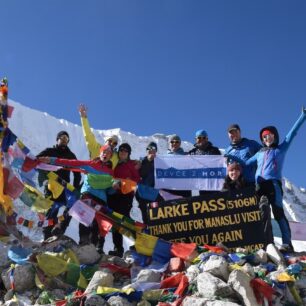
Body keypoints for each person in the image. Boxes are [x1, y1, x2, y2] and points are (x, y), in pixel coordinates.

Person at [226, 107, 306, 252]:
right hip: (259, 185)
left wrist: (303, 116)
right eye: (264, 137)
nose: (266, 138)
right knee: (260, 212)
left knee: (278, 212)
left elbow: (292, 134)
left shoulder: (280, 149)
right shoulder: (259, 153)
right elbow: (245, 164)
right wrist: (231, 157)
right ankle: (263, 241)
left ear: (274, 136)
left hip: (273, 185)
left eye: (269, 135)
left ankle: (287, 243)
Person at [38, 144, 116, 253]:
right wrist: (51, 160)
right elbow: (70, 163)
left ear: (111, 156)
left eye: (108, 153)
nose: (105, 154)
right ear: (100, 152)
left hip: (101, 201)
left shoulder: (111, 172)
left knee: (95, 226)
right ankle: (82, 244)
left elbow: (109, 190)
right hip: (88, 196)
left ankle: (91, 251)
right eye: (104, 151)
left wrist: (115, 188)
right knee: (84, 220)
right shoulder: (91, 164)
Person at [36, 131, 81, 240]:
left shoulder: (71, 155)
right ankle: (47, 235)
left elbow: (77, 173)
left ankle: (60, 228)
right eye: (62, 137)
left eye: (66, 138)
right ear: (57, 139)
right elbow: (37, 159)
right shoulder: (50, 151)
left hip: (65, 188)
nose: (64, 140)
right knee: (51, 209)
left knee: (71, 207)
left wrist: (75, 188)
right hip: (51, 185)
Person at [108, 143, 140, 257]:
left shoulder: (131, 164)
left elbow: (137, 179)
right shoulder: (114, 163)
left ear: (129, 154)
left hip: (126, 195)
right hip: (113, 195)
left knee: (125, 219)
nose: (123, 152)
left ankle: (139, 243)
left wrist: (127, 180)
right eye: (121, 150)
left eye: (126, 151)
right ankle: (118, 248)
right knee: (114, 221)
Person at [78, 104, 119, 168]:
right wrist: (84, 118)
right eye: (110, 140)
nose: (112, 143)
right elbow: (88, 134)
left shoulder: (116, 156)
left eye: (115, 143)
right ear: (105, 141)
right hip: (92, 176)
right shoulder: (96, 147)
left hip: (107, 177)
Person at [189, 129, 221, 195]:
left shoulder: (214, 150)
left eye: (204, 137)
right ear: (195, 139)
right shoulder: (192, 152)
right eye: (199, 137)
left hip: (213, 181)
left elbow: (220, 163)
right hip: (200, 183)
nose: (201, 139)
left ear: (207, 139)